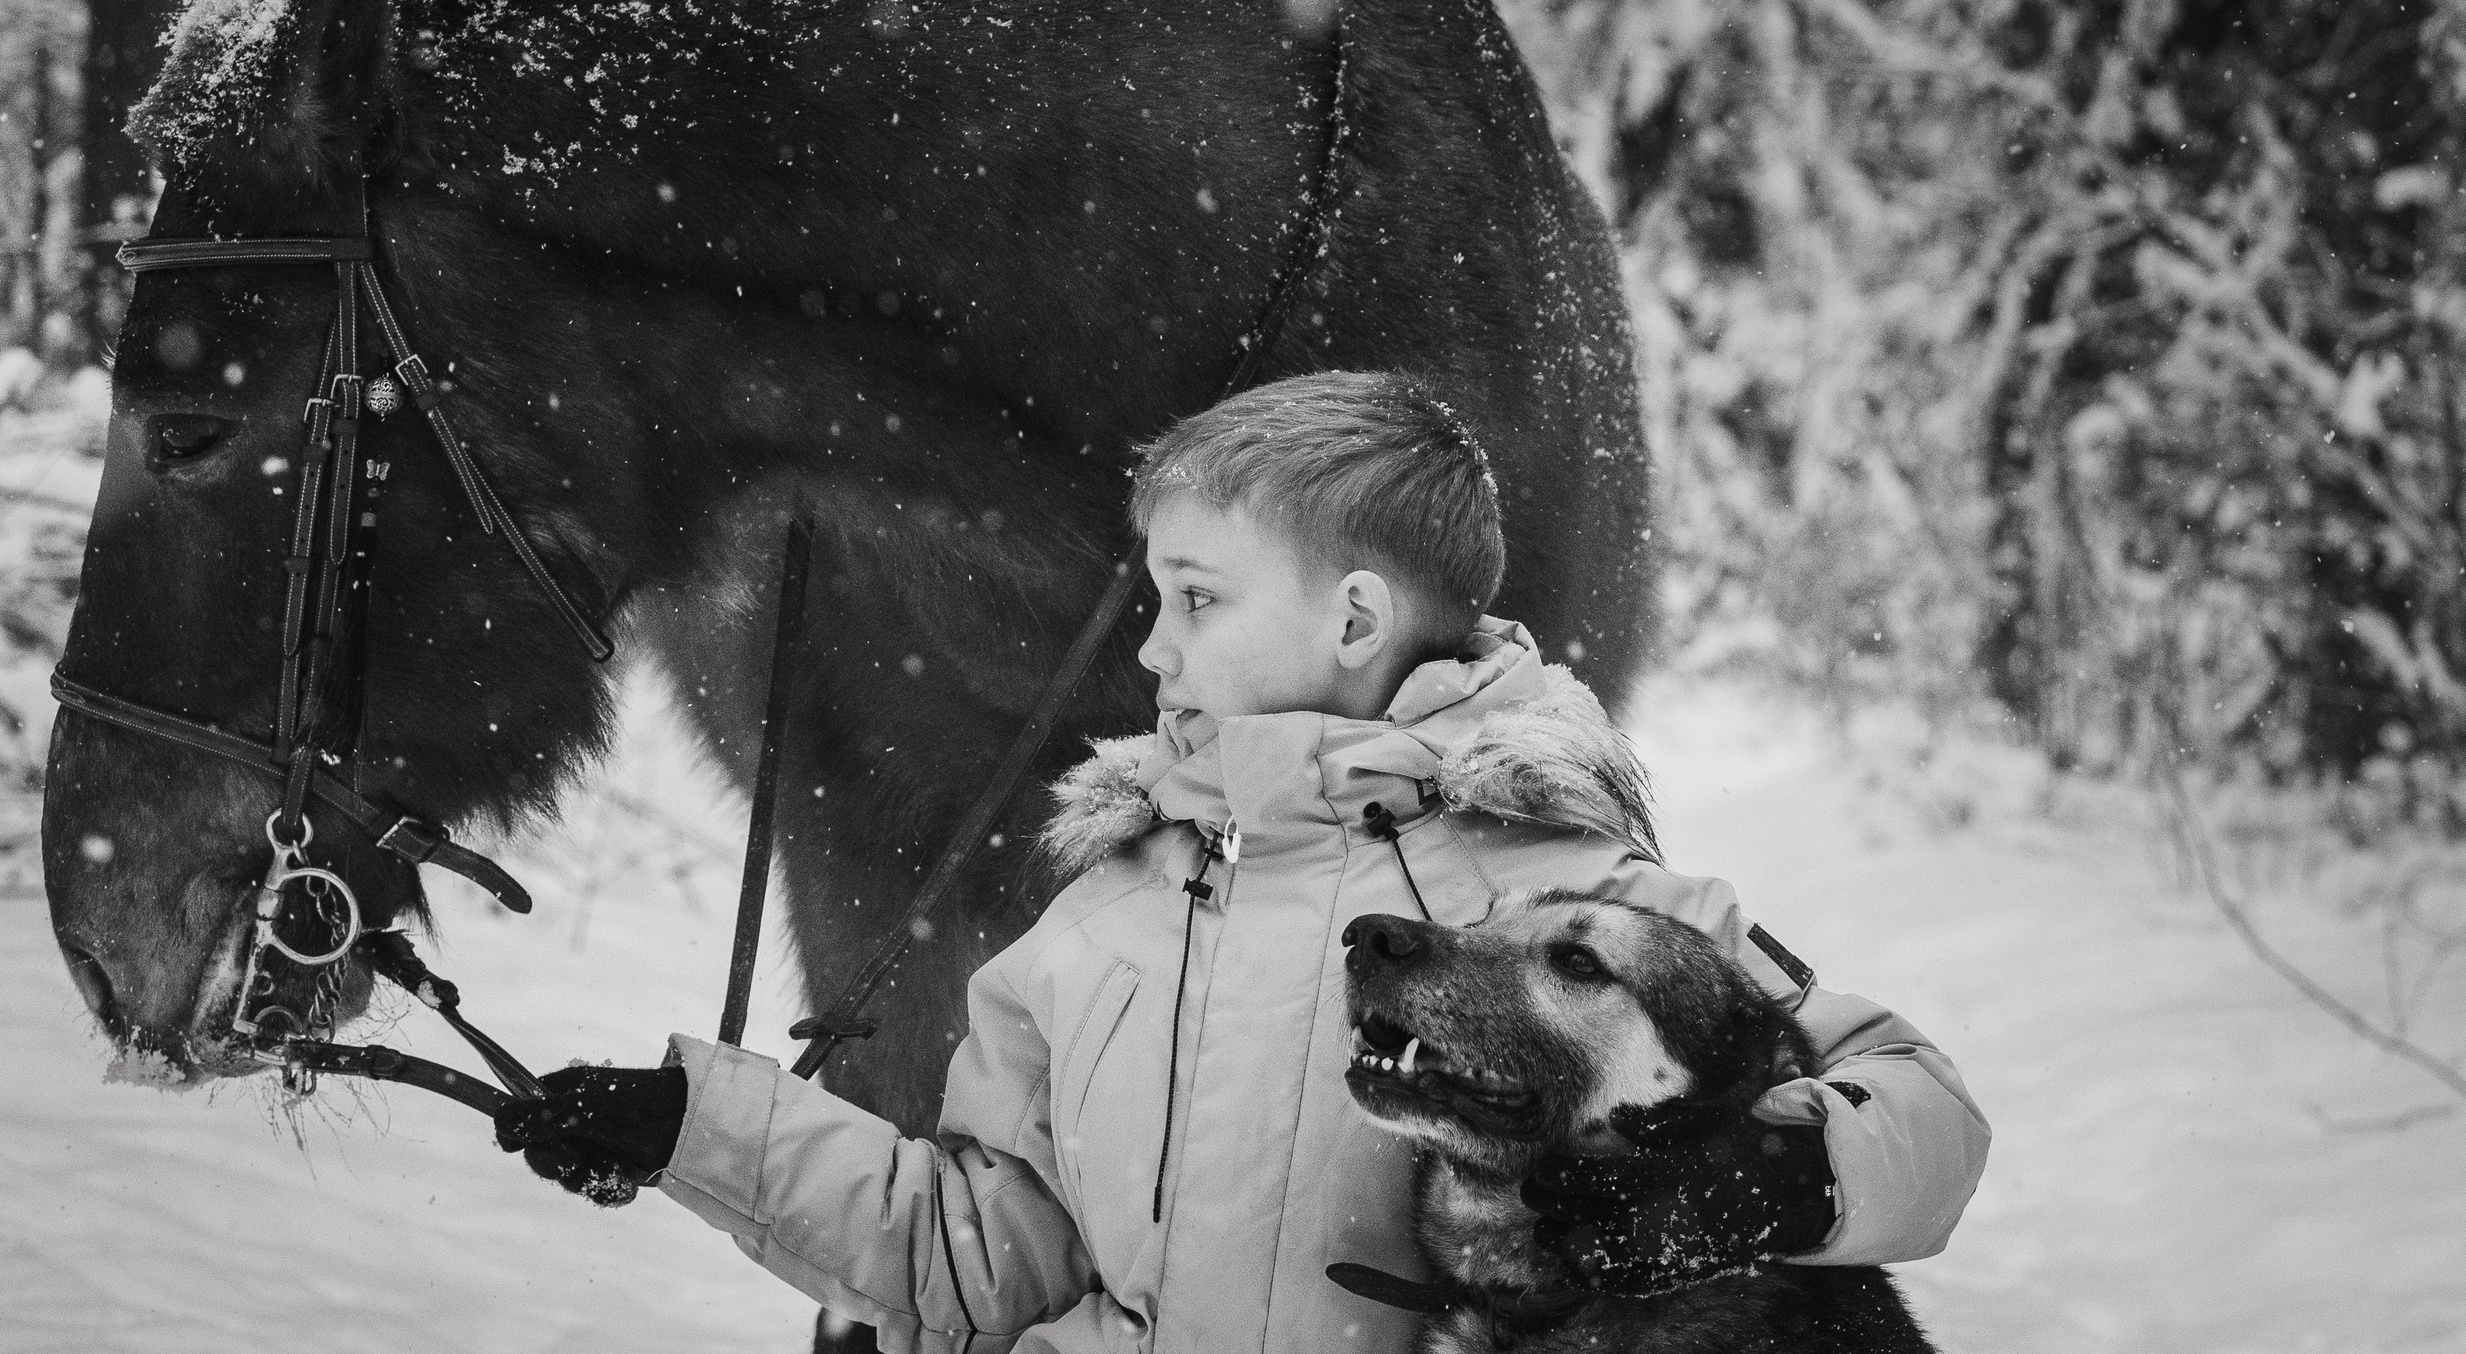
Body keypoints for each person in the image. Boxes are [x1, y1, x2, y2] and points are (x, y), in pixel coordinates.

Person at [495, 371, 1991, 1352]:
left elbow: (1919, 1104)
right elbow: (974, 1252)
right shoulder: (1103, 920)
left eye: (1197, 598)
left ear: (1353, 619)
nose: (1153, 647)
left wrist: (1776, 1174)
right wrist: (698, 1131)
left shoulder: (1570, 897)